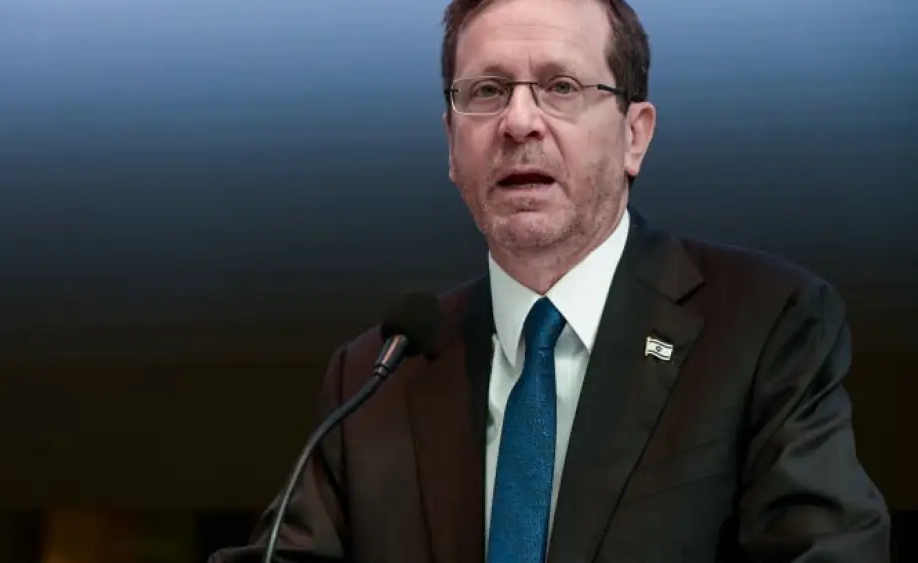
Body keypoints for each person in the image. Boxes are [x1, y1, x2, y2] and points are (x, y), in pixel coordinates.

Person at [210, 0, 891, 561]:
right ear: (452, 144)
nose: (518, 121)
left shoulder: (766, 325)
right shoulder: (377, 374)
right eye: (487, 91)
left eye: (561, 87)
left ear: (635, 135)